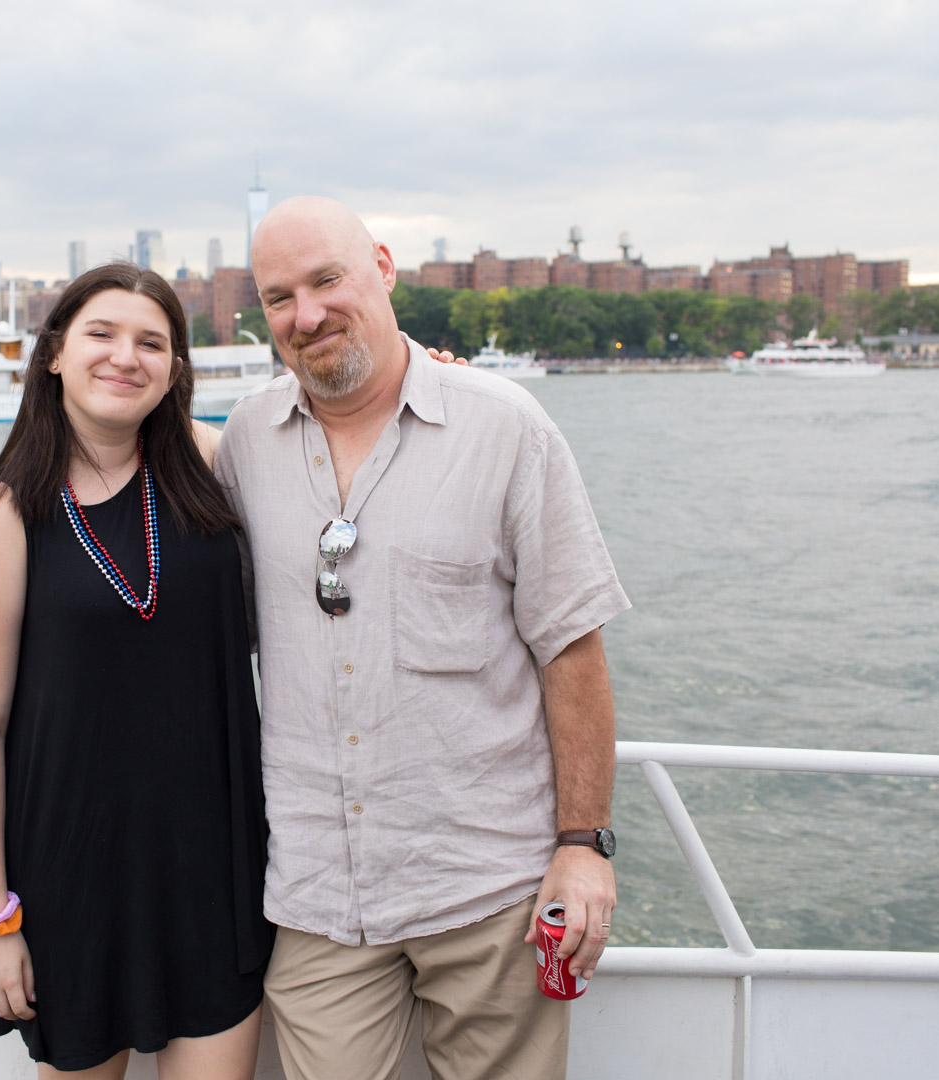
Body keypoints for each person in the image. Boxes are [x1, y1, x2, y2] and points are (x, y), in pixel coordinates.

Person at [214, 196, 630, 1080]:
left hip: (488, 884)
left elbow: (571, 649)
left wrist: (583, 845)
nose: (307, 315)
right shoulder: (246, 439)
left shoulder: (505, 426)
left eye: (327, 281)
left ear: (383, 267)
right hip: (318, 893)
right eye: (280, 297)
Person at [0, 263, 273, 1079]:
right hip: (74, 877)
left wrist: (423, 368)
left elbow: (329, 441)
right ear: (55, 352)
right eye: (102, 333)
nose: (126, 357)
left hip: (216, 867)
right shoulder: (4, 512)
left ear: (175, 369)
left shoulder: (213, 466)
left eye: (151, 343)